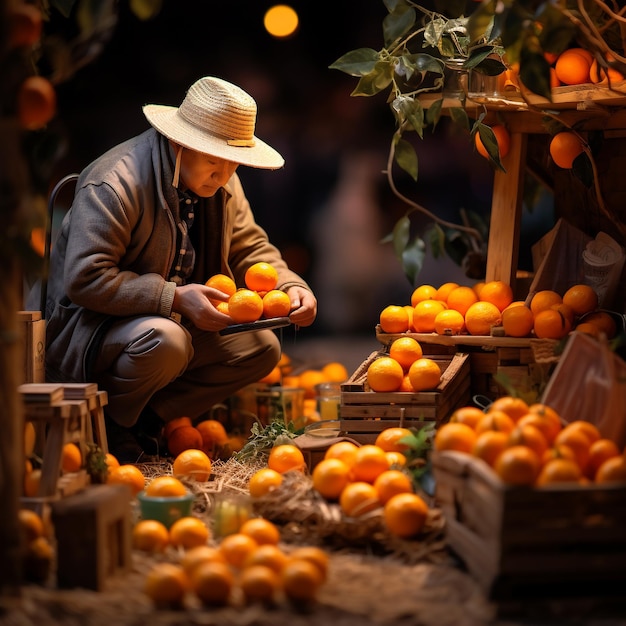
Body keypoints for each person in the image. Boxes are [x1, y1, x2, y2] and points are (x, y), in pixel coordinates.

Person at [29, 76, 317, 462]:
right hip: (88, 328)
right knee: (168, 340)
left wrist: (289, 284)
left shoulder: (223, 183)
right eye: (215, 160)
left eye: (234, 162)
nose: (226, 175)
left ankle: (144, 421)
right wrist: (174, 297)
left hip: (167, 320)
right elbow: (86, 279)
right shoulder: (115, 183)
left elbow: (251, 246)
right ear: (181, 143)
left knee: (261, 347)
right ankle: (114, 424)